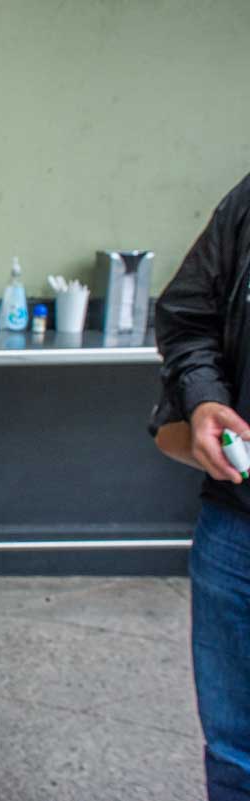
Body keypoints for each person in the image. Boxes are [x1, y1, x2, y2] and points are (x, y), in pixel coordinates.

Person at [154, 172, 250, 800]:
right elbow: (187, 317)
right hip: (237, 522)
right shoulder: (246, 205)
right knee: (235, 747)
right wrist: (206, 398)